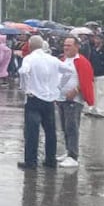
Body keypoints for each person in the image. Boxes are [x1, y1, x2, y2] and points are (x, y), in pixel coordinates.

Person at [18, 35, 72, 170]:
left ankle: (31, 161)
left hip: (34, 98)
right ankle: (50, 160)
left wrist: (25, 88)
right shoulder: (53, 59)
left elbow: (24, 72)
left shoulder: (29, 59)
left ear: (30, 46)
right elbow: (68, 71)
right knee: (50, 131)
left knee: (32, 131)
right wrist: (58, 87)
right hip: (49, 99)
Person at [57, 37, 95, 168]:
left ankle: (73, 155)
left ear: (77, 46)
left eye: (69, 45)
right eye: (65, 45)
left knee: (72, 127)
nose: (66, 47)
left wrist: (76, 90)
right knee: (64, 127)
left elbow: (87, 79)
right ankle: (68, 151)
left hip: (74, 100)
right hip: (61, 99)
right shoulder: (62, 60)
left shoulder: (82, 61)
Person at [87, 34, 104, 118]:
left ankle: (101, 111)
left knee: (101, 93)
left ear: (101, 40)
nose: (95, 41)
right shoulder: (93, 50)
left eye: (97, 39)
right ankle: (91, 109)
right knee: (93, 92)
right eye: (95, 39)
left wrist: (103, 67)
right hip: (92, 74)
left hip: (101, 74)